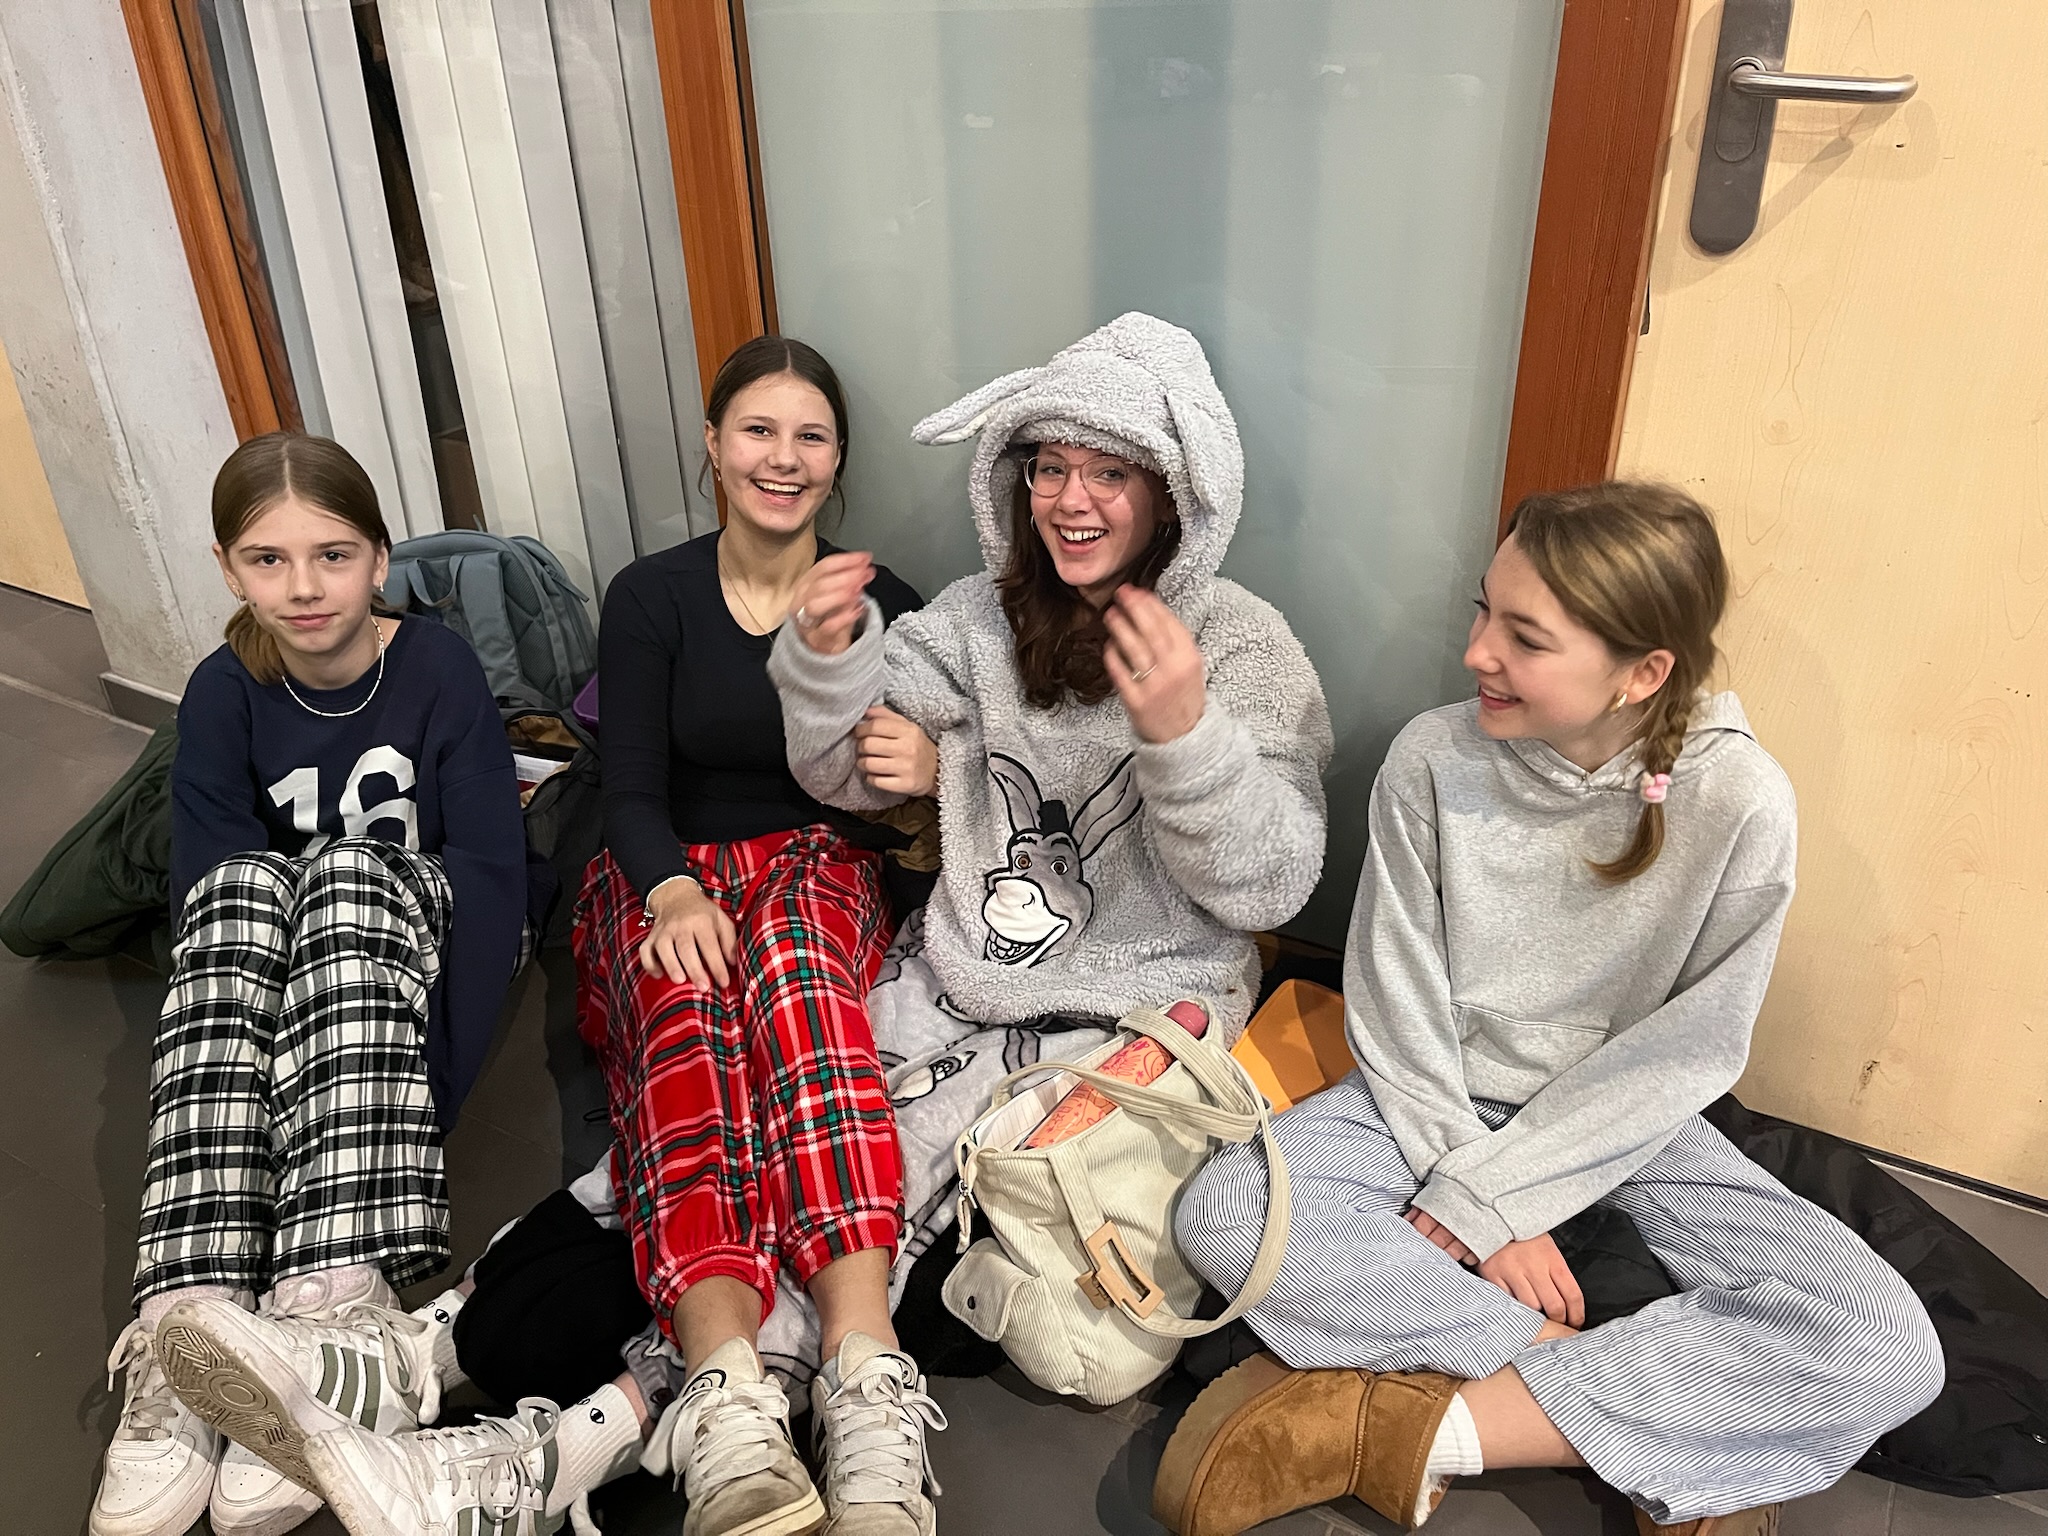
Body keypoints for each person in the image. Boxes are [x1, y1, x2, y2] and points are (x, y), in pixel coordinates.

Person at [1156, 483, 1947, 1536]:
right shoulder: (1432, 758)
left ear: (1642, 673)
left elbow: (1685, 1052)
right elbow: (1395, 999)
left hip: (1620, 1123)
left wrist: (1501, 1196)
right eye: (1483, 610)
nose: (1476, 652)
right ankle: (1657, 1427)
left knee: (1889, 1345)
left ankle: (1419, 1431)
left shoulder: (1739, 801)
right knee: (1226, 1213)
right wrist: (1479, 1194)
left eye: (1524, 638)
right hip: (1425, 1101)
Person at [770, 312, 1333, 1357]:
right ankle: (737, 1377)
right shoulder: (977, 619)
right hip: (962, 976)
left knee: (938, 1256)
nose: (1071, 501)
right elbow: (836, 777)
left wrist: (1187, 740)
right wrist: (825, 671)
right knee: (799, 1155)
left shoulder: (1242, 645)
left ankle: (801, 1370)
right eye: (1049, 467)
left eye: (1109, 473)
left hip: (1139, 1002)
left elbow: (1272, 886)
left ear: (1173, 492)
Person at [87, 433, 530, 1536]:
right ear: (229, 569)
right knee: (242, 888)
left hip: (415, 946)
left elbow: (490, 885)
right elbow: (208, 917)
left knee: (342, 874)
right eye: (268, 559)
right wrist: (275, 1084)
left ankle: (331, 1303)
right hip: (287, 971)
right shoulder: (221, 691)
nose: (303, 586)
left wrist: (422, 1089)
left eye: (332, 555)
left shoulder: (437, 669)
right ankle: (191, 1315)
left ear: (380, 557)